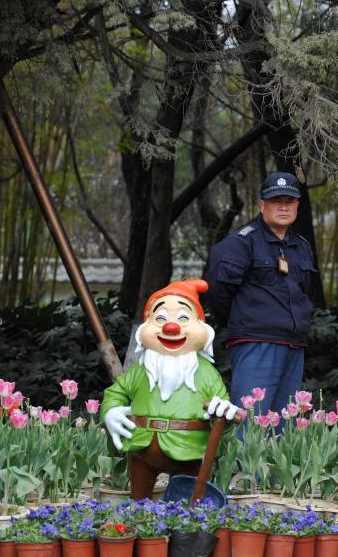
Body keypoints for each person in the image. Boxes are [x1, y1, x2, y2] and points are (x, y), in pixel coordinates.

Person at [101, 279, 239, 499]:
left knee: (185, 505)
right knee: (138, 501)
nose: (170, 327)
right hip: (142, 449)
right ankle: (139, 517)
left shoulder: (206, 373)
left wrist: (223, 410)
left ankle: (183, 518)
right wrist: (111, 411)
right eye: (160, 318)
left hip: (188, 451)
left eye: (183, 318)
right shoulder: (140, 371)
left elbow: (223, 412)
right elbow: (115, 393)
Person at [205, 171, 317, 424]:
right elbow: (219, 292)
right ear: (262, 205)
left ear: (297, 205)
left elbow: (304, 292)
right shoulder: (241, 242)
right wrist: (244, 322)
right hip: (256, 343)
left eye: (289, 201)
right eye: (276, 200)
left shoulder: (302, 246)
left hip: (294, 345)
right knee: (249, 424)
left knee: (284, 428)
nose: (283, 207)